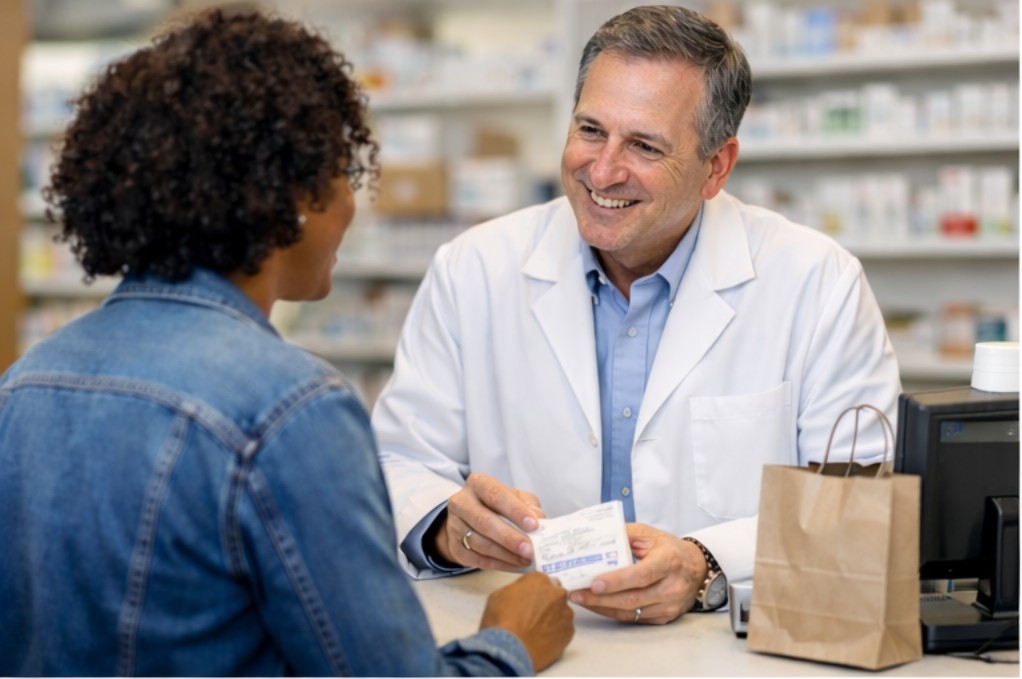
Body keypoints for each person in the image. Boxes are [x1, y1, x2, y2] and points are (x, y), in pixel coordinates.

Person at [0, 8, 573, 676]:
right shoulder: (290, 408)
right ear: (290, 195)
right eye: (339, 173)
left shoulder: (26, 383)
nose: (351, 206)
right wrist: (512, 641)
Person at [372, 4, 901, 626]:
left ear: (717, 166)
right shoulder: (473, 268)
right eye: (590, 130)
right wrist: (445, 528)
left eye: (644, 145)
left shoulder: (816, 282)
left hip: (718, 655)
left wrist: (705, 565)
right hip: (521, 639)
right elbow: (400, 461)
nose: (602, 171)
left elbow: (856, 506)